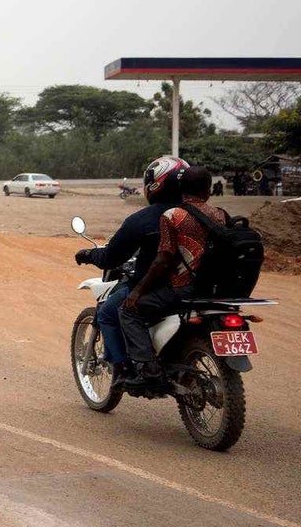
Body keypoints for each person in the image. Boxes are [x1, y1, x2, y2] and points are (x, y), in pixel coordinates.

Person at [75, 155, 188, 385]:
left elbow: (111, 257)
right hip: (197, 288)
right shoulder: (199, 214)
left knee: (108, 312)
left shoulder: (144, 220)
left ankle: (126, 369)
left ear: (154, 185)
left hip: (157, 287)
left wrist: (88, 254)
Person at [119, 166, 220, 393]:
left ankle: (149, 371)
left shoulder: (172, 216)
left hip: (184, 289)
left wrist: (136, 293)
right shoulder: (220, 215)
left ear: (181, 189)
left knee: (128, 311)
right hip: (213, 289)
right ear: (209, 190)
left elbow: (163, 260)